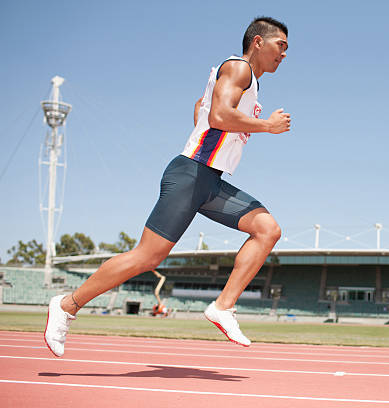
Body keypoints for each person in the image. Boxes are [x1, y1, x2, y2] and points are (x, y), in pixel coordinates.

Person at [44, 16, 290, 356]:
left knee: (267, 229)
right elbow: (218, 115)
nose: (284, 54)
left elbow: (201, 109)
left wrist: (207, 132)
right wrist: (267, 125)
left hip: (210, 180)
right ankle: (67, 304)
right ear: (259, 42)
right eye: (281, 45)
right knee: (147, 257)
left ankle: (222, 307)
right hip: (191, 174)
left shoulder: (246, 82)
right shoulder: (238, 68)